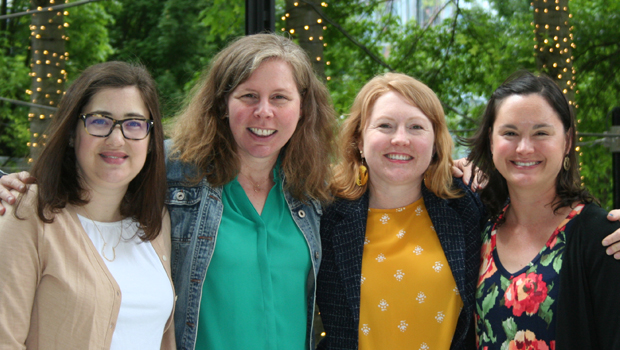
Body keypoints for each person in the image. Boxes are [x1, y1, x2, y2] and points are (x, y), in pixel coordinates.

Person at [0, 34, 335, 350]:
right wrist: (10, 184)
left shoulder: (313, 191)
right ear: (222, 103)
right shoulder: (173, 171)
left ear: (303, 107)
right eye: (248, 96)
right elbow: (104, 163)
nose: (264, 111)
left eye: (280, 97)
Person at [0, 61, 175, 349]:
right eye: (99, 121)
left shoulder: (155, 222)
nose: (116, 139)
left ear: (151, 140)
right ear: (72, 133)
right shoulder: (29, 214)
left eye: (133, 124)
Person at [316, 72, 484, 350]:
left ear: (435, 143)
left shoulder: (465, 204)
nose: (400, 139)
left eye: (416, 127)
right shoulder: (326, 215)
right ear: (359, 140)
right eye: (385, 125)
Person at [467, 71, 620, 349]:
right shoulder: (476, 227)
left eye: (541, 132)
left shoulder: (604, 237)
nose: (525, 147)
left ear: (567, 140)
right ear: (491, 141)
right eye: (510, 133)